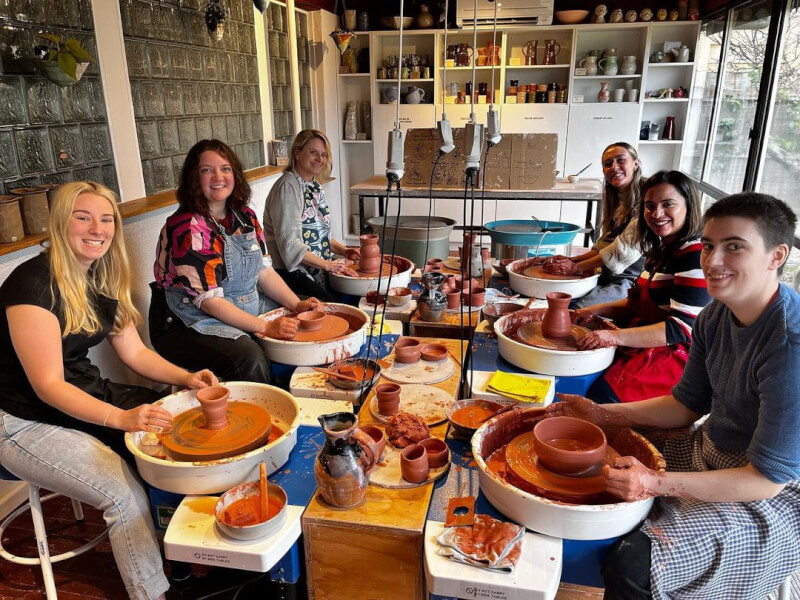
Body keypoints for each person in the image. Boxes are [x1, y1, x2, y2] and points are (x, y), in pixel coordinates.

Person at [548, 192, 800, 599]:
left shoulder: (790, 344)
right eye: (710, 246)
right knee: (593, 459)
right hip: (709, 449)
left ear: (776, 256)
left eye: (735, 247)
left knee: (632, 565)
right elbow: (684, 406)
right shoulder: (717, 314)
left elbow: (767, 480)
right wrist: (601, 414)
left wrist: (653, 482)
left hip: (772, 496)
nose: (713, 262)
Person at [0, 182, 218, 600]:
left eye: (106, 219)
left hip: (79, 392)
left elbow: (134, 352)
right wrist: (121, 419)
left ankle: (184, 564)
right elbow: (47, 387)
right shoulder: (30, 286)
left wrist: (186, 377)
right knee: (123, 493)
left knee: (175, 429)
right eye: (83, 217)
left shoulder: (98, 276)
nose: (97, 228)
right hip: (20, 422)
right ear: (61, 222)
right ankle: (154, 592)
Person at [151, 139, 319, 383]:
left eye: (225, 168)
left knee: (305, 321)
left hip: (242, 302)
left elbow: (264, 271)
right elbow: (210, 302)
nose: (217, 176)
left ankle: (301, 397)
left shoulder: (244, 216)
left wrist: (296, 305)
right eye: (206, 170)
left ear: (235, 174)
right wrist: (264, 327)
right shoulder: (189, 227)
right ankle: (265, 413)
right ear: (193, 178)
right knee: (249, 356)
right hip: (185, 318)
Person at [576, 171, 712, 403]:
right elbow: (636, 305)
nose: (657, 214)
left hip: (675, 354)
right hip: (647, 339)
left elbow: (681, 329)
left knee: (601, 397)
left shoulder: (694, 254)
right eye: (649, 206)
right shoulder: (661, 249)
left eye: (668, 205)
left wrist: (613, 337)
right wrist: (595, 311)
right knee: (582, 368)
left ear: (689, 206)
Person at [263, 129, 358, 302]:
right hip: (288, 273)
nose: (319, 159)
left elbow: (319, 236)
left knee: (353, 295)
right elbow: (290, 247)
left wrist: (345, 251)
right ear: (297, 153)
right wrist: (329, 265)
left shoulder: (313, 185)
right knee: (335, 309)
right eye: (313, 152)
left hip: (312, 267)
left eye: (323, 154)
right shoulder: (288, 188)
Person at [572, 142, 646, 307]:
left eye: (621, 160)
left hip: (634, 280)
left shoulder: (648, 200)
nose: (614, 167)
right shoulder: (618, 198)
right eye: (608, 164)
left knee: (579, 308)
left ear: (636, 163)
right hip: (612, 274)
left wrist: (575, 268)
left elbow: (620, 251)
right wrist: (573, 261)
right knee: (568, 296)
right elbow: (605, 243)